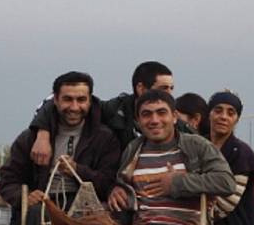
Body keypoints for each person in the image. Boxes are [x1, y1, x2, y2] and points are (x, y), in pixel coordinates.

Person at [107, 90, 235, 225]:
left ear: (174, 116)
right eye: (147, 114)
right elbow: (123, 183)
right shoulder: (133, 149)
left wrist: (177, 183)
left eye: (161, 113)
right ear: (138, 121)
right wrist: (117, 189)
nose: (154, 120)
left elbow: (226, 181)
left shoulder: (196, 145)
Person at [0, 71, 121, 225]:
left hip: (86, 208)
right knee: (36, 213)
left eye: (81, 100)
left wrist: (78, 170)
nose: (74, 107)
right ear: (55, 100)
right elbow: (8, 180)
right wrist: (26, 197)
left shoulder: (105, 138)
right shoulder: (30, 138)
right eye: (68, 99)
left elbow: (109, 182)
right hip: (44, 207)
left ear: (89, 100)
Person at [29, 61, 186, 164]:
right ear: (141, 88)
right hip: (123, 187)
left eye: (171, 88)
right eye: (163, 88)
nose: (169, 94)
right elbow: (55, 102)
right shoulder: (114, 110)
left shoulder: (175, 122)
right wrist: (43, 133)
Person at [206, 90, 254, 225]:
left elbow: (225, 204)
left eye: (231, 112)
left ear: (237, 119)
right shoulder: (199, 146)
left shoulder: (241, 153)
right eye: (218, 110)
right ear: (209, 113)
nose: (223, 117)